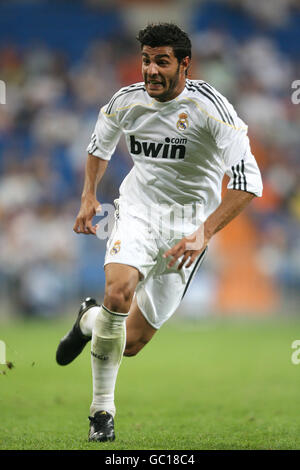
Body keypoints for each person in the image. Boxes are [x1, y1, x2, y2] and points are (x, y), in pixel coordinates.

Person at [56, 23, 263, 442]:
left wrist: (203, 233)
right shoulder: (126, 101)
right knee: (118, 290)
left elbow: (248, 184)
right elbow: (100, 146)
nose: (150, 70)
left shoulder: (212, 110)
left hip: (188, 229)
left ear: (184, 64)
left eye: (162, 61)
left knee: (129, 342)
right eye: (146, 60)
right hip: (136, 213)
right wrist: (88, 197)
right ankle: (102, 412)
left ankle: (86, 321)